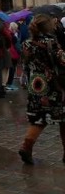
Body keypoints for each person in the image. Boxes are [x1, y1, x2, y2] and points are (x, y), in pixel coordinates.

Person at [18, 14, 65, 165]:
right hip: (53, 85)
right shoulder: (51, 43)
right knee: (64, 119)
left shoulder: (27, 44)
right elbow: (63, 61)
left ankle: (26, 146)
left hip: (36, 84)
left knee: (38, 119)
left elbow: (25, 64)